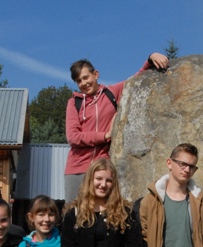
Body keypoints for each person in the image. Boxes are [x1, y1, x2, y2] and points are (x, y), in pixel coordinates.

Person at [64, 52, 169, 203]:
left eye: (86, 77)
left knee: (102, 211)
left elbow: (137, 79)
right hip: (77, 168)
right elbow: (73, 137)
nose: (83, 83)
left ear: (96, 74)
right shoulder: (74, 102)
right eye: (79, 81)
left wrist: (151, 57)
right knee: (73, 212)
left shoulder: (111, 93)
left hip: (102, 168)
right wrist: (105, 136)